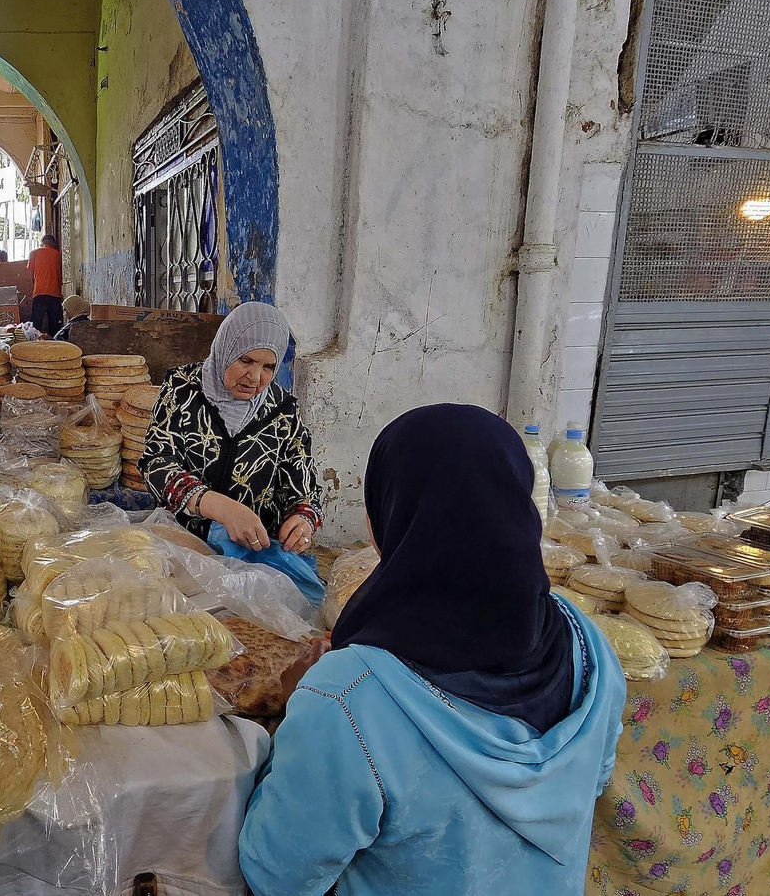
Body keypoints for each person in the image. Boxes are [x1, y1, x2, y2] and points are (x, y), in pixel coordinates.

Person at [238, 404, 626, 896]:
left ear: (386, 523)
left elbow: (277, 876)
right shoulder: (589, 648)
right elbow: (591, 782)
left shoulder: (347, 701)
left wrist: (299, 710)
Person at [138, 301, 324, 603]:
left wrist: (302, 521)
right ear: (226, 348)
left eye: (268, 367)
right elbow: (156, 464)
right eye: (246, 360)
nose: (255, 377)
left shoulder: (284, 411)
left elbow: (305, 491)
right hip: (182, 550)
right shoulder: (183, 390)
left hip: (252, 561)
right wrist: (219, 507)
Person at [28, 234, 64, 336]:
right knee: (54, 326)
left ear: (42, 243)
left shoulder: (33, 253)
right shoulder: (58, 255)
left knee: (36, 325)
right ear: (53, 244)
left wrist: (35, 288)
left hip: (39, 293)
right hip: (55, 294)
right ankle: (54, 346)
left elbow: (31, 276)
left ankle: (34, 346)